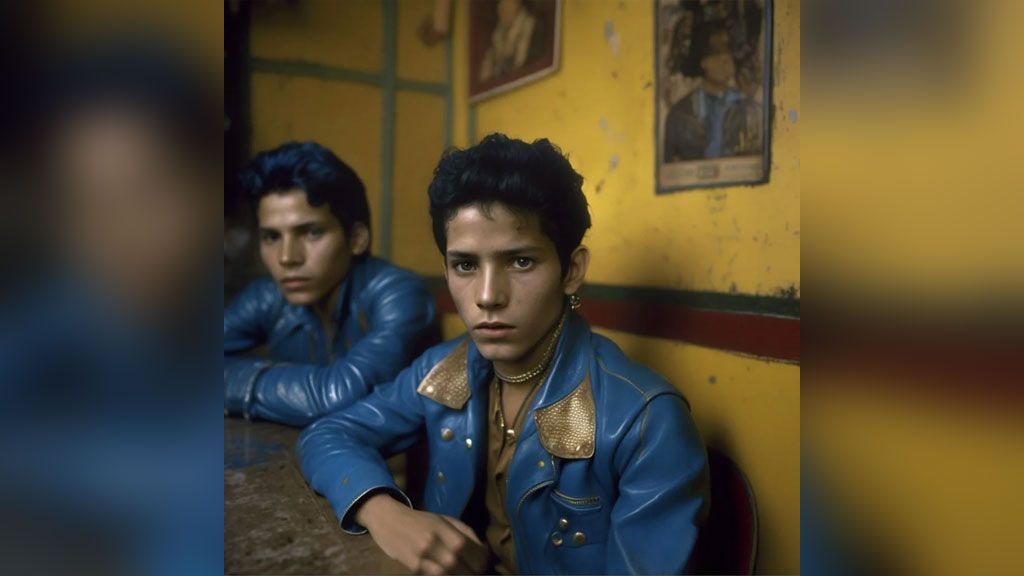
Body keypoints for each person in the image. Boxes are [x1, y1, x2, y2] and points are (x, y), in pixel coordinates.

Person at [298, 134, 709, 574]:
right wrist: (386, 513)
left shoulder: (647, 420)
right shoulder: (444, 369)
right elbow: (326, 435)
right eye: (466, 265)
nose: (488, 296)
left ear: (571, 271)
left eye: (520, 262)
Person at [224, 141, 436, 426]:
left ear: (357, 238)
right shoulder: (268, 297)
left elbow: (337, 396)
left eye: (312, 232)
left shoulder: (399, 294)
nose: (287, 258)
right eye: (272, 237)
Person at [664, 21, 761, 162]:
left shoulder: (751, 110)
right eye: (716, 55)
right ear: (703, 62)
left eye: (729, 56)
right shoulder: (679, 115)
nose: (725, 61)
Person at [479, 0, 544, 82]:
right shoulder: (497, 35)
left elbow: (523, 67)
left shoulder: (532, 27)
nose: (502, 8)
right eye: (501, 4)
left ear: (518, 4)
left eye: (508, 3)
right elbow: (485, 77)